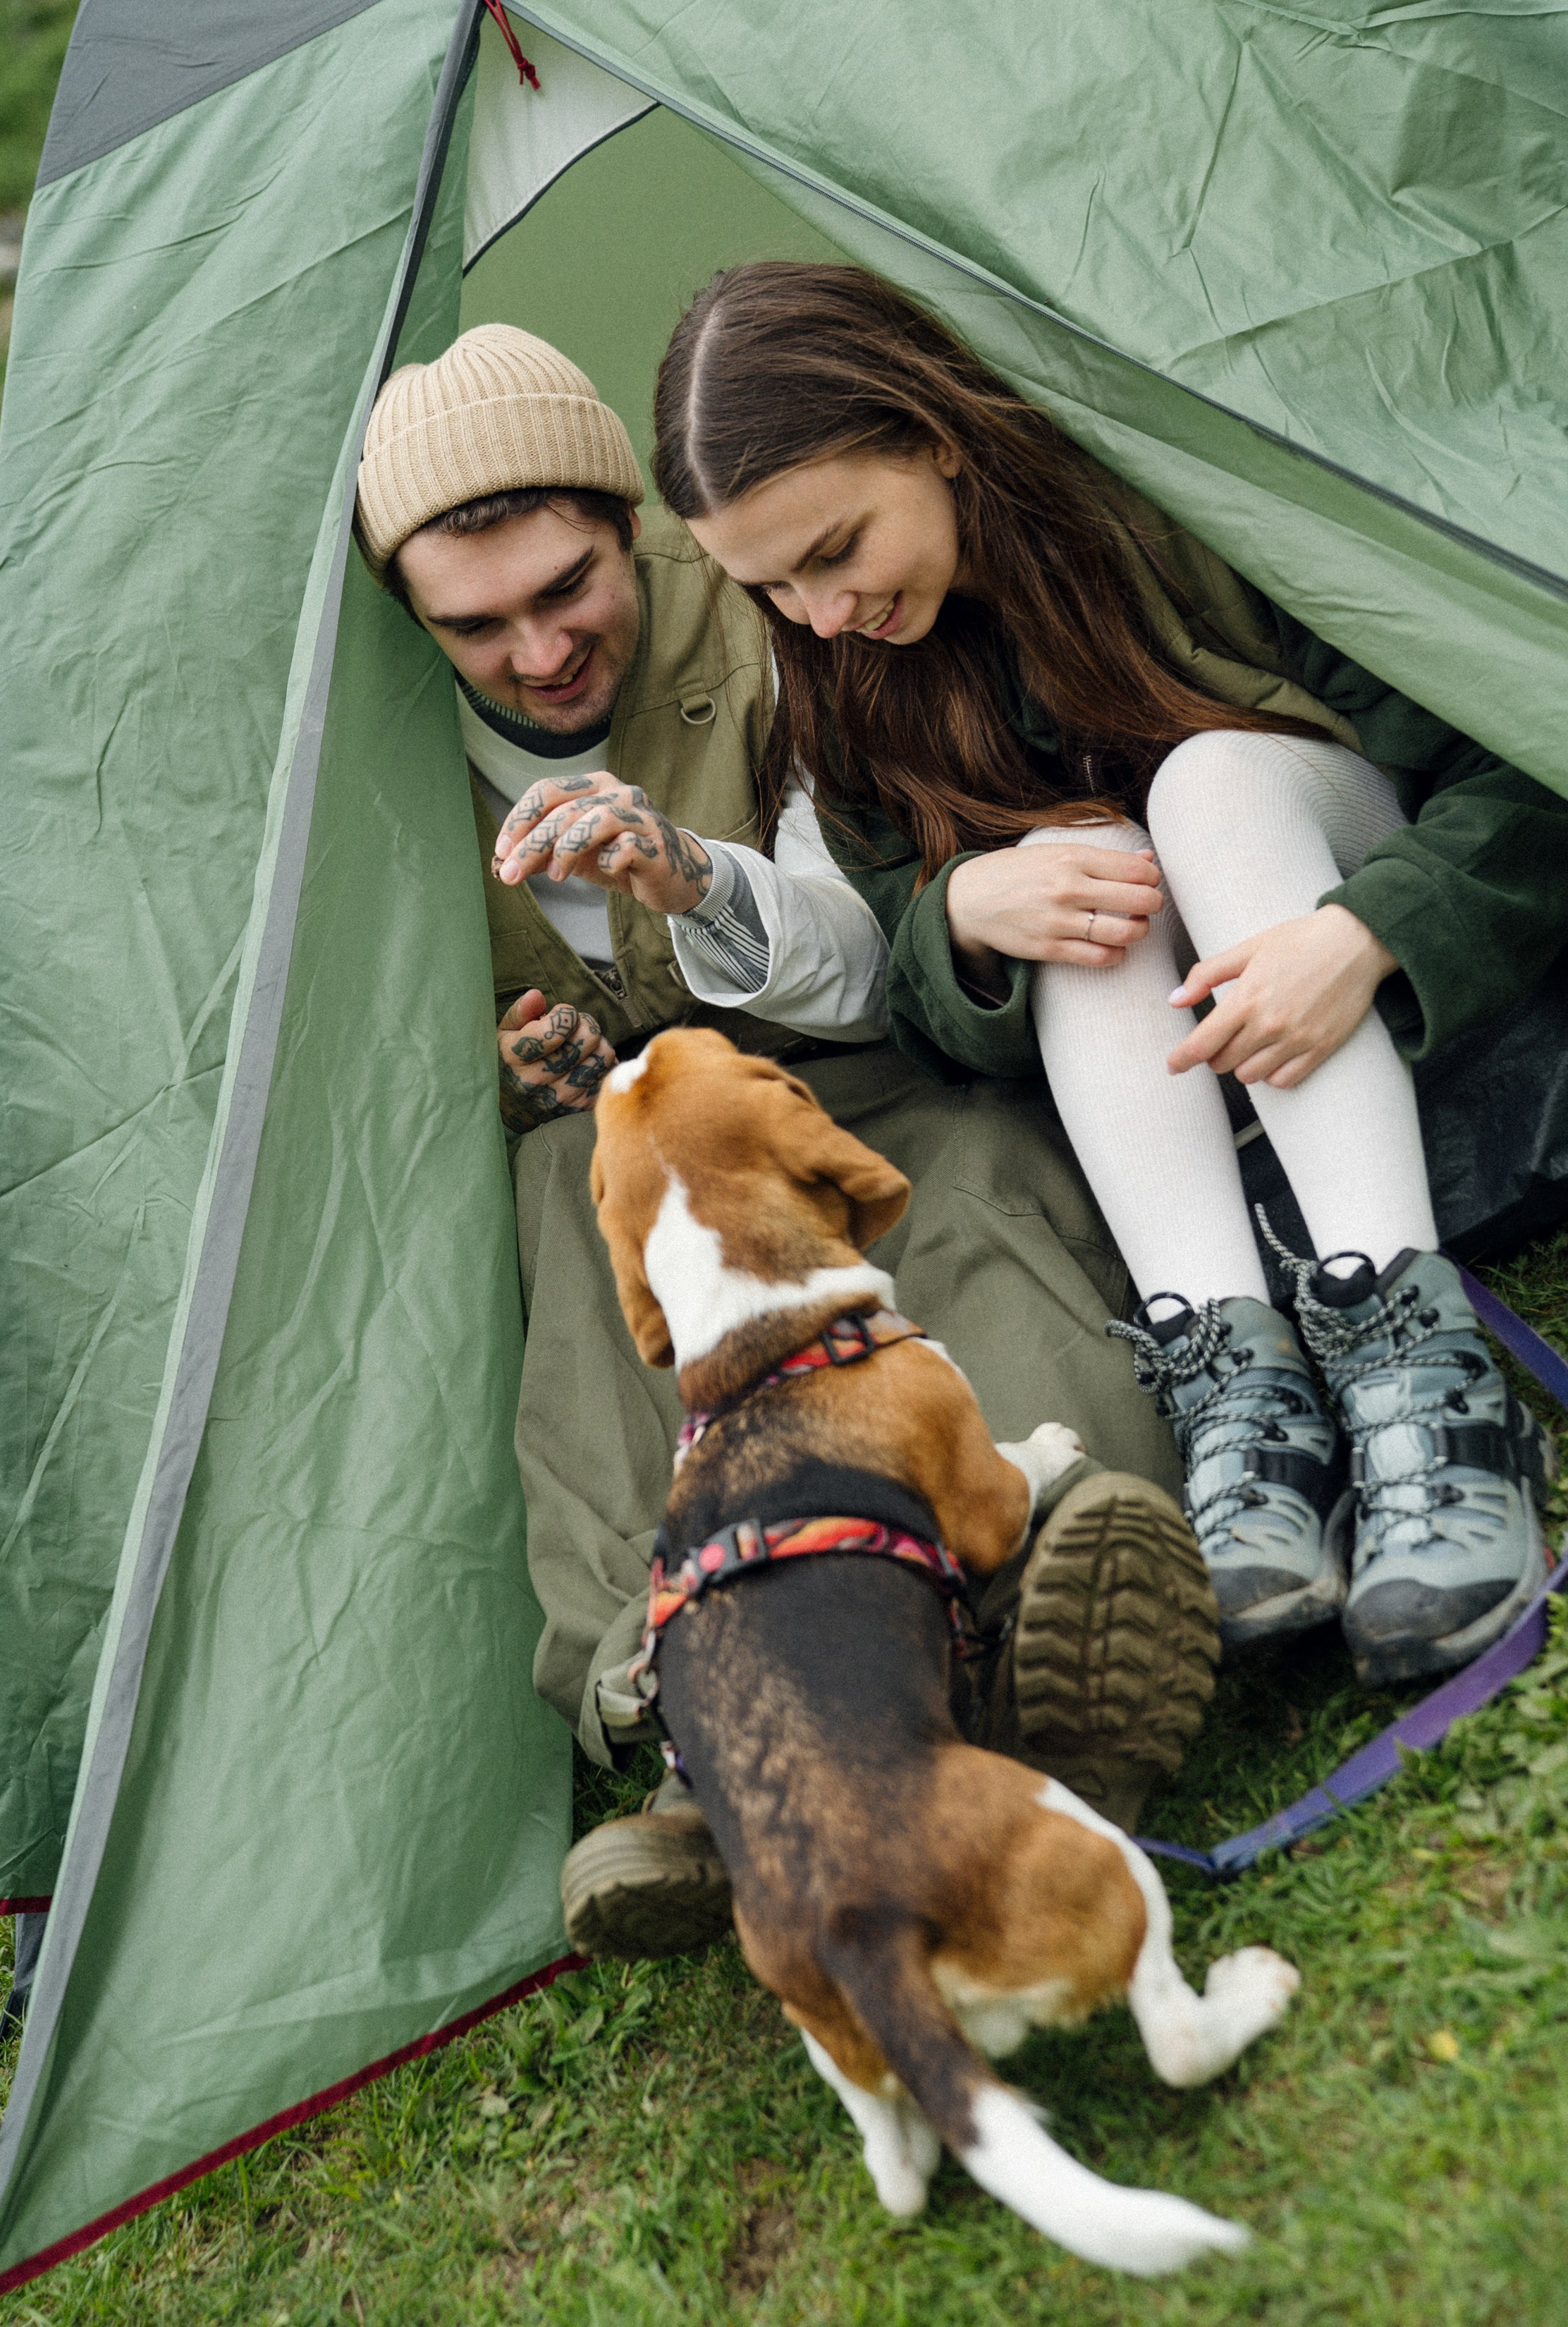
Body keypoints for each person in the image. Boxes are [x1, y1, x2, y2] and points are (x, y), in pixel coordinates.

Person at [353, 324, 1220, 1953]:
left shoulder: (773, 615)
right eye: (479, 625)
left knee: (968, 1196)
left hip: (858, 1070)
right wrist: (490, 1062)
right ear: (415, 617)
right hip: (637, 1155)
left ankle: (1052, 1580)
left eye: (570, 589)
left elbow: (864, 930)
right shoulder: (369, 762)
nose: (539, 652)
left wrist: (692, 887)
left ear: (631, 526)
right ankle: (693, 1712)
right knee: (568, 1198)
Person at [651, 261, 1565, 1690]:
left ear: (932, 433)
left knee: (1202, 785)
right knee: (1066, 868)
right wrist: (960, 914)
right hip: (1202, 1103)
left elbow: (1523, 761)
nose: (820, 616)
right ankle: (1241, 1408)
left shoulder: (1182, 506)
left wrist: (1367, 931)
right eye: (769, 587)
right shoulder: (846, 677)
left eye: (835, 551)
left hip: (1393, 948)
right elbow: (923, 997)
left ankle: (1421, 1385)